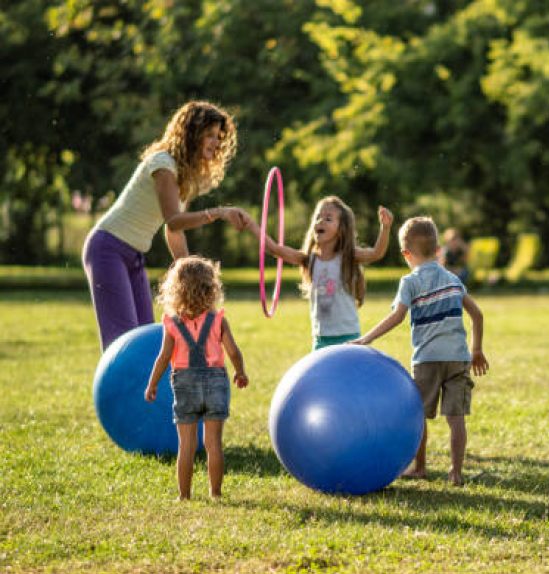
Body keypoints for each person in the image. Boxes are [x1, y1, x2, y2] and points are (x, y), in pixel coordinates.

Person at [82, 100, 252, 350]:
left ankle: (143, 390)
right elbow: (174, 219)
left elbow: (173, 229)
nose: (216, 143)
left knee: (144, 338)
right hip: (108, 249)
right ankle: (116, 389)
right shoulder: (163, 164)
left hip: (133, 255)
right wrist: (219, 212)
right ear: (191, 134)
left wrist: (188, 272)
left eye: (218, 136)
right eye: (209, 135)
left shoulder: (183, 175)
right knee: (122, 343)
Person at [352, 216, 489, 485]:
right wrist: (477, 350)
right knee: (456, 417)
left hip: (427, 360)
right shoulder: (452, 279)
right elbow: (478, 315)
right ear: (438, 249)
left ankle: (421, 466)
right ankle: (456, 472)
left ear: (406, 253)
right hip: (458, 358)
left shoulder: (410, 282)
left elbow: (397, 317)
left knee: (418, 415)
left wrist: (365, 339)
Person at [144, 256, 248, 501]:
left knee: (186, 445)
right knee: (213, 444)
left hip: (184, 382)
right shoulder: (219, 319)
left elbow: (163, 356)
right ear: (211, 288)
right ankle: (215, 492)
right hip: (216, 382)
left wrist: (152, 383)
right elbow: (233, 350)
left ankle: (184, 495)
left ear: (175, 289)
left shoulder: (171, 323)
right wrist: (240, 371)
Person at [248, 196, 393, 350]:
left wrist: (385, 228)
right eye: (317, 217)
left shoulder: (348, 257)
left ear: (341, 229)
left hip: (349, 337)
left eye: (328, 219)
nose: (320, 221)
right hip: (320, 340)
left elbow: (377, 253)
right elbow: (274, 249)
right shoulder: (308, 260)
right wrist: (250, 224)